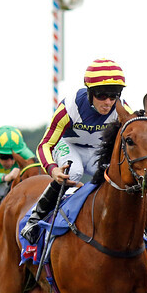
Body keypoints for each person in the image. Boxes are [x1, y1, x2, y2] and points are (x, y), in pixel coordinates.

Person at [21, 59, 126, 245]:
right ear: (90, 92)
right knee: (73, 171)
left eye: (114, 95)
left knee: (115, 175)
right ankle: (34, 219)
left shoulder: (122, 109)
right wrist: (53, 170)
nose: (108, 102)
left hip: (96, 150)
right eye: (102, 95)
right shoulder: (69, 108)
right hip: (69, 146)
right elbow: (44, 145)